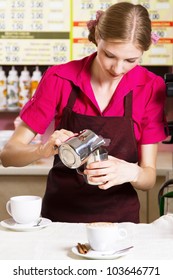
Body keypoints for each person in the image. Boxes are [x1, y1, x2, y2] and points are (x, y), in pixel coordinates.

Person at [1, 2, 168, 223]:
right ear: (97, 38)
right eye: (109, 55)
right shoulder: (59, 78)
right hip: (59, 219)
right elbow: (8, 155)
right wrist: (41, 150)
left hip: (119, 223)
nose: (117, 69)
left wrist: (132, 173)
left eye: (130, 60)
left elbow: (148, 177)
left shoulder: (150, 86)